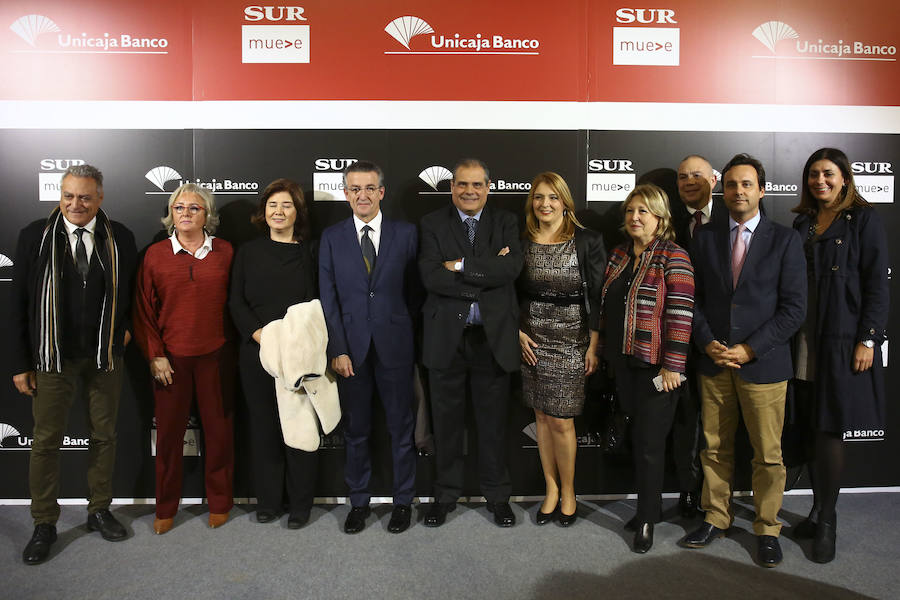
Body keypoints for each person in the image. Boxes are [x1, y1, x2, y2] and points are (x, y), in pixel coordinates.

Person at [681, 154, 806, 568]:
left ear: (762, 190)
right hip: (715, 363)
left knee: (768, 453)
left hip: (763, 366)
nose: (738, 191)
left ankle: (768, 528)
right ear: (723, 189)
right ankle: (716, 516)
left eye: (747, 184)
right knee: (714, 449)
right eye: (731, 184)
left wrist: (751, 349)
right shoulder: (704, 238)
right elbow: (692, 301)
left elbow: (794, 309)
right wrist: (706, 342)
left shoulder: (785, 240)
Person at [11, 164, 137, 564]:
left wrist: (126, 331)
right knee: (46, 441)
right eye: (68, 196)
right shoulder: (34, 236)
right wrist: (20, 362)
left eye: (84, 197)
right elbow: (17, 304)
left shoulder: (121, 237)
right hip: (53, 357)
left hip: (104, 356)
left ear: (100, 197)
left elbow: (134, 292)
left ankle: (99, 509)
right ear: (59, 196)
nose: (75, 204)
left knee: (104, 435)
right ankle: (44, 522)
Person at [790, 148, 889, 563]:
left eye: (828, 174)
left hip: (842, 339)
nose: (820, 181)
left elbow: (877, 285)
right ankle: (815, 509)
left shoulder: (864, 220)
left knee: (830, 429)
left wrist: (868, 339)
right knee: (812, 426)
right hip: (803, 339)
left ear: (845, 178)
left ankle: (828, 519)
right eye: (813, 174)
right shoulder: (803, 223)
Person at [419, 158, 523, 528]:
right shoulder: (432, 223)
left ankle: (497, 496)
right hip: (447, 339)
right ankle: (445, 495)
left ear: (489, 188)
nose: (469, 191)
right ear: (451, 188)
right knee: (445, 425)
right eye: (462, 184)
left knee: (493, 426)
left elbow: (511, 269)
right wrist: (486, 267)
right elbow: (431, 276)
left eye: (477, 185)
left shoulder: (507, 222)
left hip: (491, 340)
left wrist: (460, 265)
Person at [318, 160, 420, 534]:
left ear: (381, 192)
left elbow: (415, 294)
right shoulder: (331, 237)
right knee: (356, 431)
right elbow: (328, 300)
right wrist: (338, 348)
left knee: (401, 429)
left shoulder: (407, 233)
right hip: (351, 352)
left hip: (396, 347)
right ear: (346, 194)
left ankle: (403, 502)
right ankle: (358, 502)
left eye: (369, 188)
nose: (362, 195)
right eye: (354, 189)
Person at [132, 183, 235, 535]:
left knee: (219, 435)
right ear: (170, 214)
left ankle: (220, 503)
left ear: (208, 214)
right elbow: (144, 311)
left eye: (194, 208)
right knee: (170, 439)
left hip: (216, 358)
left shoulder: (225, 252)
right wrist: (155, 355)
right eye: (179, 208)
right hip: (170, 362)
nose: (186, 213)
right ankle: (165, 508)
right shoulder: (155, 255)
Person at [597, 183, 694, 553]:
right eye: (630, 211)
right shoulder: (619, 255)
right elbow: (607, 309)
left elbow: (681, 315)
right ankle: (646, 509)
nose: (635, 217)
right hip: (622, 365)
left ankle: (648, 521)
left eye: (644, 211)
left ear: (660, 218)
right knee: (635, 442)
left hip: (657, 369)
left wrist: (673, 366)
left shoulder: (674, 255)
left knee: (651, 447)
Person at [229, 178, 319, 529]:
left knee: (298, 429)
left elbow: (316, 305)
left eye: (286, 205)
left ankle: (300, 506)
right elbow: (235, 301)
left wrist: (291, 342)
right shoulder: (248, 253)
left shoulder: (309, 253)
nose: (279, 212)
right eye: (272, 206)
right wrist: (262, 335)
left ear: (298, 213)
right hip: (258, 353)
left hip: (298, 356)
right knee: (264, 429)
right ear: (262, 212)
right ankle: (268, 502)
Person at [518, 172, 604, 526]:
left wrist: (594, 345)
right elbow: (509, 293)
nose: (545, 204)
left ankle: (569, 492)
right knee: (540, 417)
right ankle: (550, 489)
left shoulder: (587, 241)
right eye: (538, 197)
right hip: (532, 341)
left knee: (562, 421)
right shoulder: (521, 240)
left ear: (565, 202)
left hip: (572, 342)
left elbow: (599, 298)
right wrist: (517, 332)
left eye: (553, 197)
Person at [670, 155, 727, 518]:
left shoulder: (733, 216)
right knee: (685, 422)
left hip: (721, 343)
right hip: (677, 340)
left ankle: (717, 498)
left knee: (718, 428)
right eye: (682, 177)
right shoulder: (669, 221)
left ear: (715, 180)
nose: (689, 181)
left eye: (697, 175)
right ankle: (688, 491)